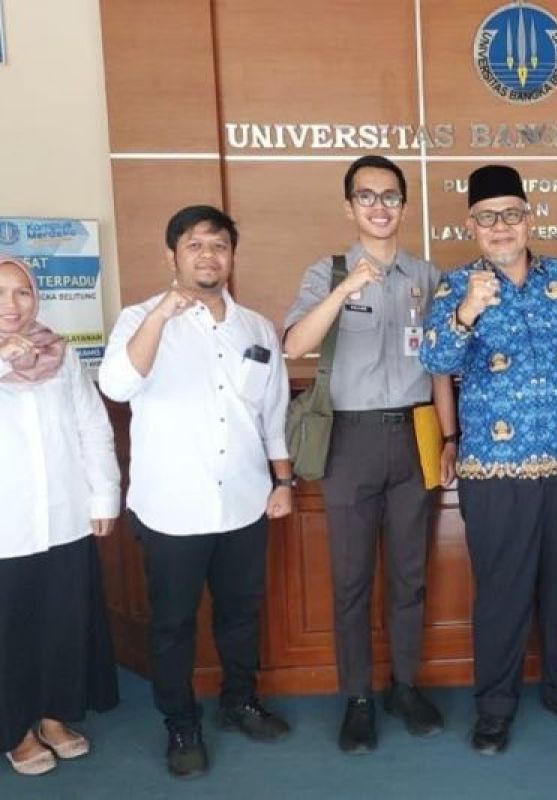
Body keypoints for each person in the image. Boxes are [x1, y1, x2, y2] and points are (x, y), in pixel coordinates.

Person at [420, 164, 557, 755]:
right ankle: (495, 707)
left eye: (511, 214)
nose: (500, 226)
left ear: (529, 219)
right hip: (493, 468)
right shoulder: (456, 287)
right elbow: (434, 360)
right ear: (471, 225)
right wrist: (466, 313)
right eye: (487, 217)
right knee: (501, 592)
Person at [98, 206, 293, 778]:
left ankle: (239, 701)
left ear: (232, 255)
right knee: (172, 625)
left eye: (219, 245)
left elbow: (273, 412)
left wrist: (283, 481)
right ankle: (180, 724)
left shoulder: (255, 327)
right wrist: (162, 314)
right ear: (172, 255)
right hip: (171, 509)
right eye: (195, 245)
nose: (209, 255)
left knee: (240, 616)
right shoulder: (139, 319)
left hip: (244, 502)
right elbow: (116, 384)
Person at [283, 155, 456, 754]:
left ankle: (405, 686)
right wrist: (344, 289)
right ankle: (357, 697)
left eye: (390, 196)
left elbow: (440, 365)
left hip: (416, 431)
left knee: (410, 574)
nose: (379, 207)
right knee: (352, 577)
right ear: (349, 206)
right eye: (367, 196)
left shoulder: (428, 276)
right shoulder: (326, 272)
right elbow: (295, 345)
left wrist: (450, 437)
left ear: (404, 206)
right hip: (349, 439)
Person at [0, 256, 120, 776]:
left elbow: (92, 425)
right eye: (0, 292)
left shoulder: (59, 353)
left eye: (22, 292)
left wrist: (103, 495)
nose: (11, 304)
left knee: (62, 624)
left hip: (65, 515)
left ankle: (53, 717)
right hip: (7, 525)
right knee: (10, 629)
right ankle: (15, 730)